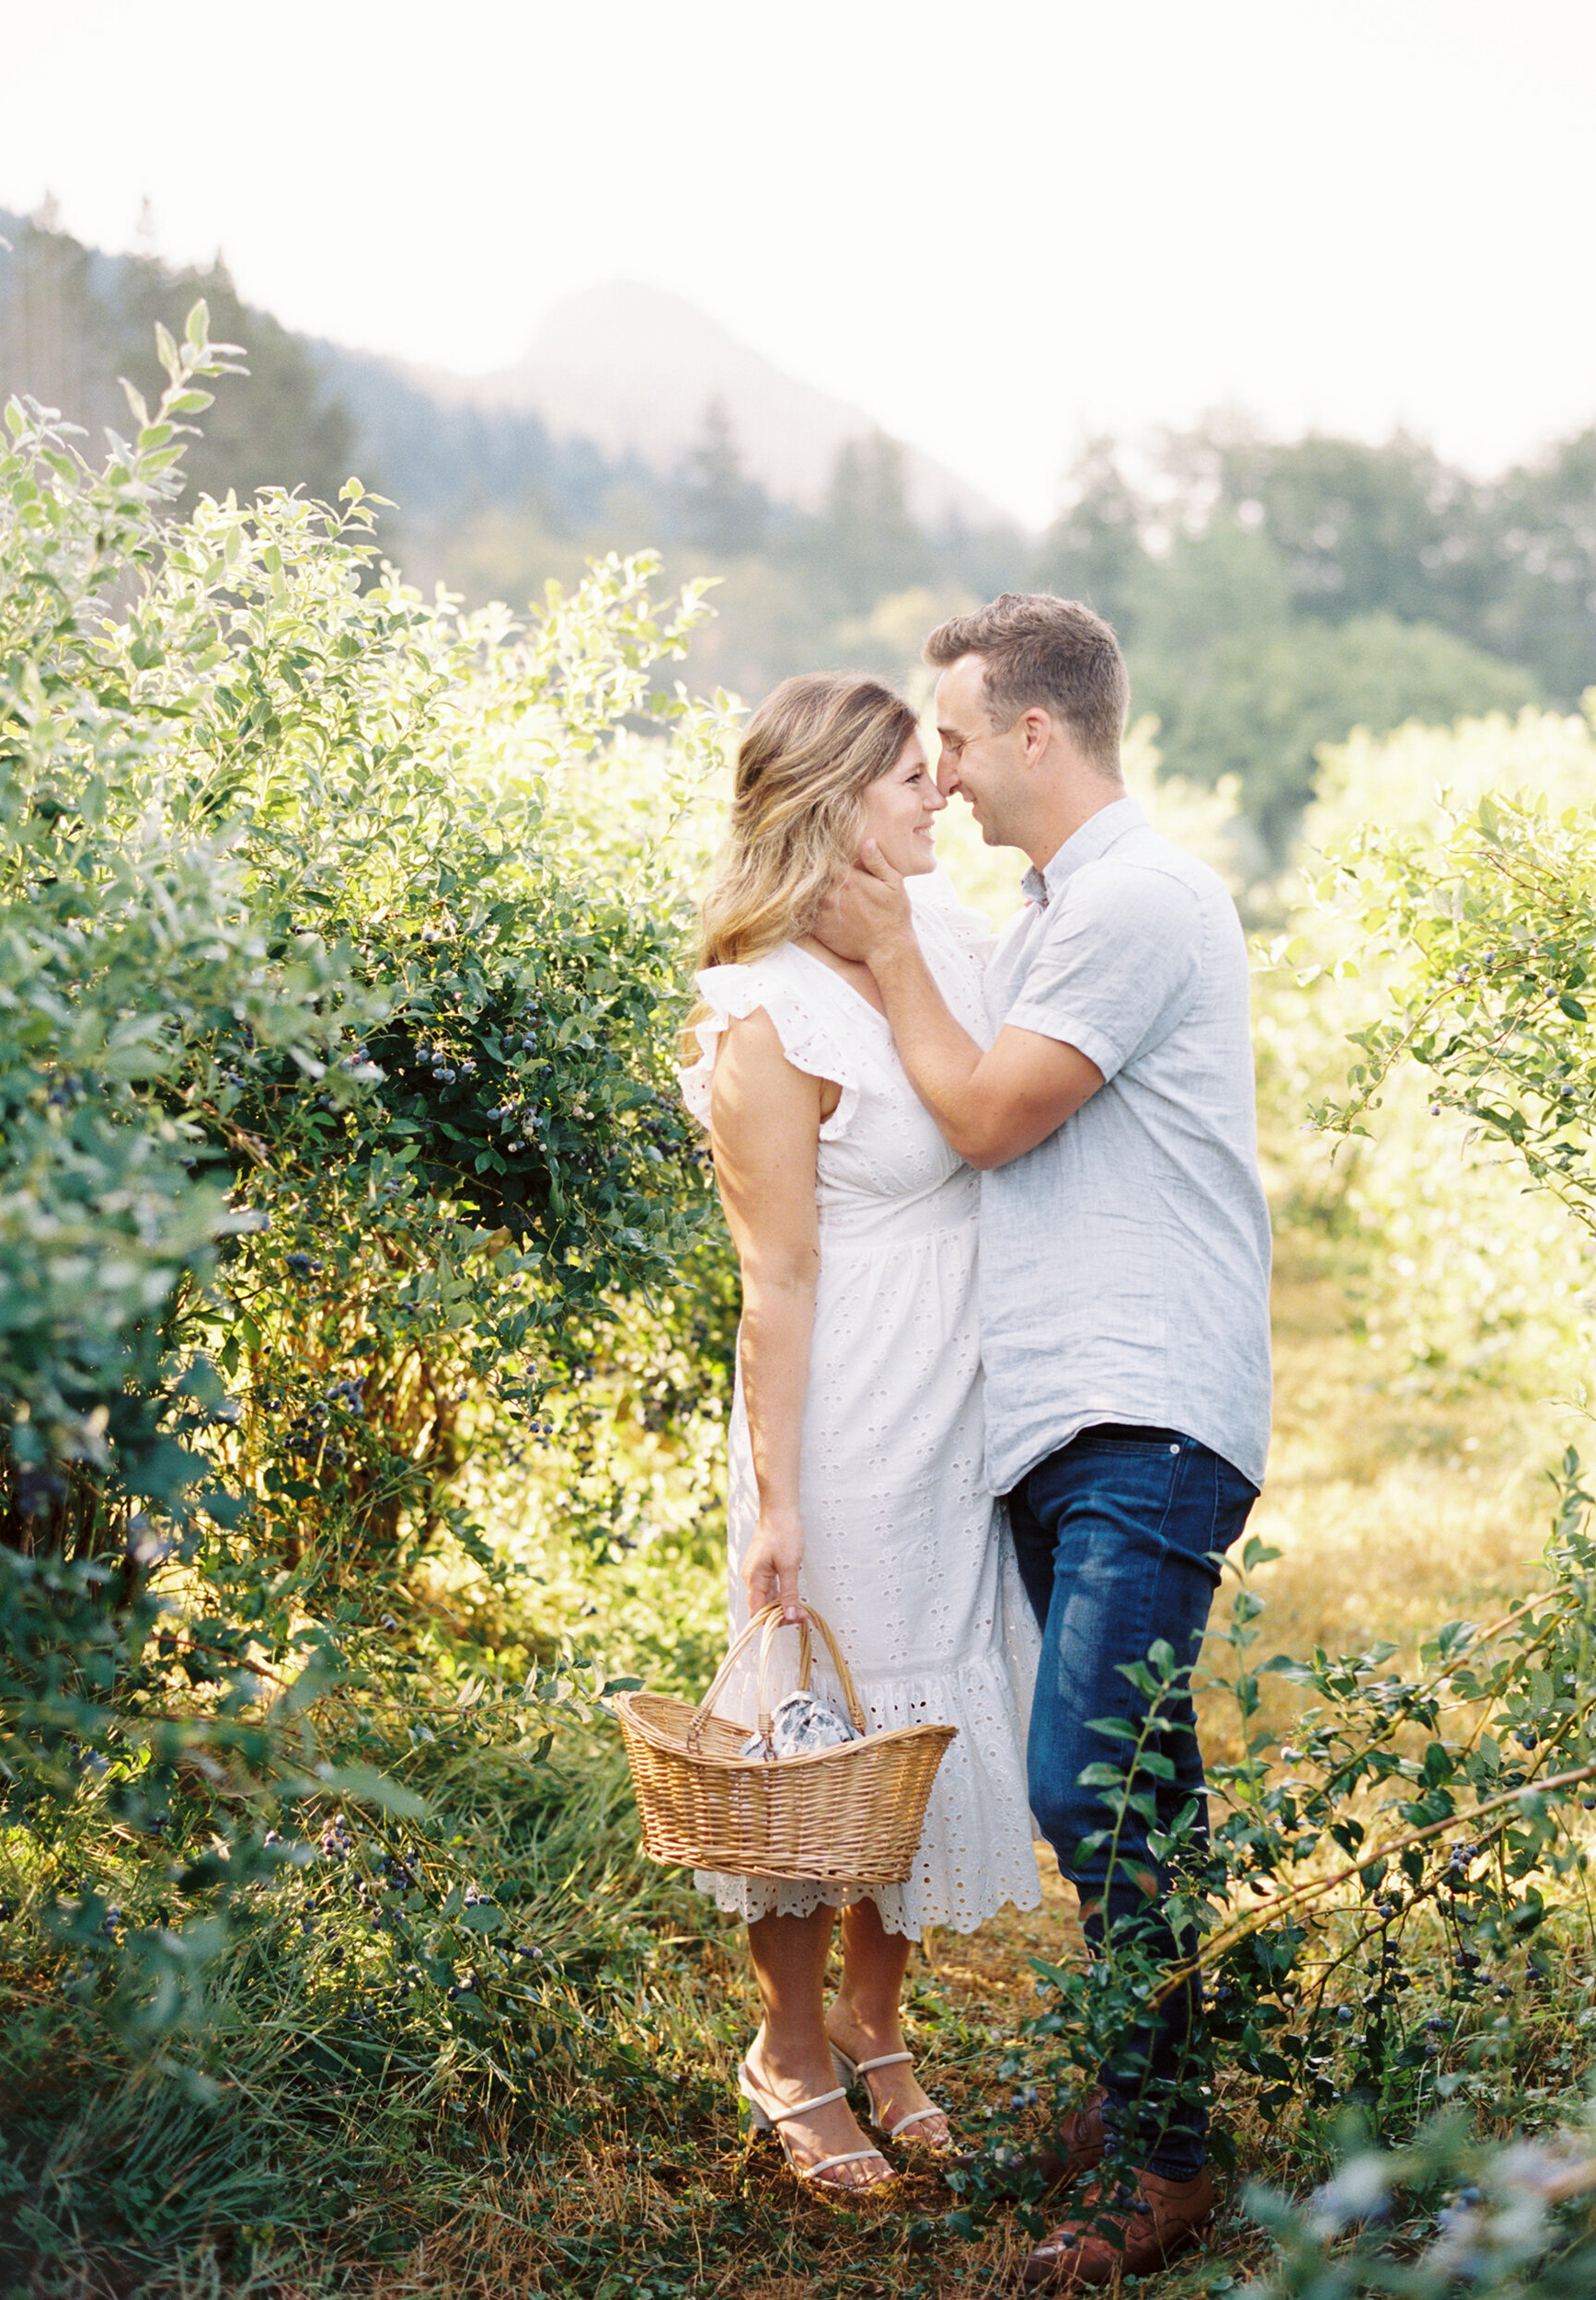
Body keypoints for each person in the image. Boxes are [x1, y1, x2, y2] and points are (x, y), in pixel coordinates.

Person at [815, 594, 1271, 2288]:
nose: (932, 771)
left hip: (1142, 1404)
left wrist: (875, 955)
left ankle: (1160, 2163)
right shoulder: (1059, 904)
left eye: (946, 736)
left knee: (1093, 1773)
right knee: (1136, 1777)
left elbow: (995, 1112)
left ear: (1031, 730)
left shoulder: (1139, 898)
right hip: (1067, 1410)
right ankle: (1145, 2086)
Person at [680, 672, 1043, 2197]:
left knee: (923, 1734)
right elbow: (774, 1275)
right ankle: (787, 2043)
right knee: (816, 1741)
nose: (940, 792)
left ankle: (879, 2028)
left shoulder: (943, 934)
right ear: (833, 801)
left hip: (965, 1403)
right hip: (847, 1409)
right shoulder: (762, 1008)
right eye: (910, 775)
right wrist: (777, 1499)